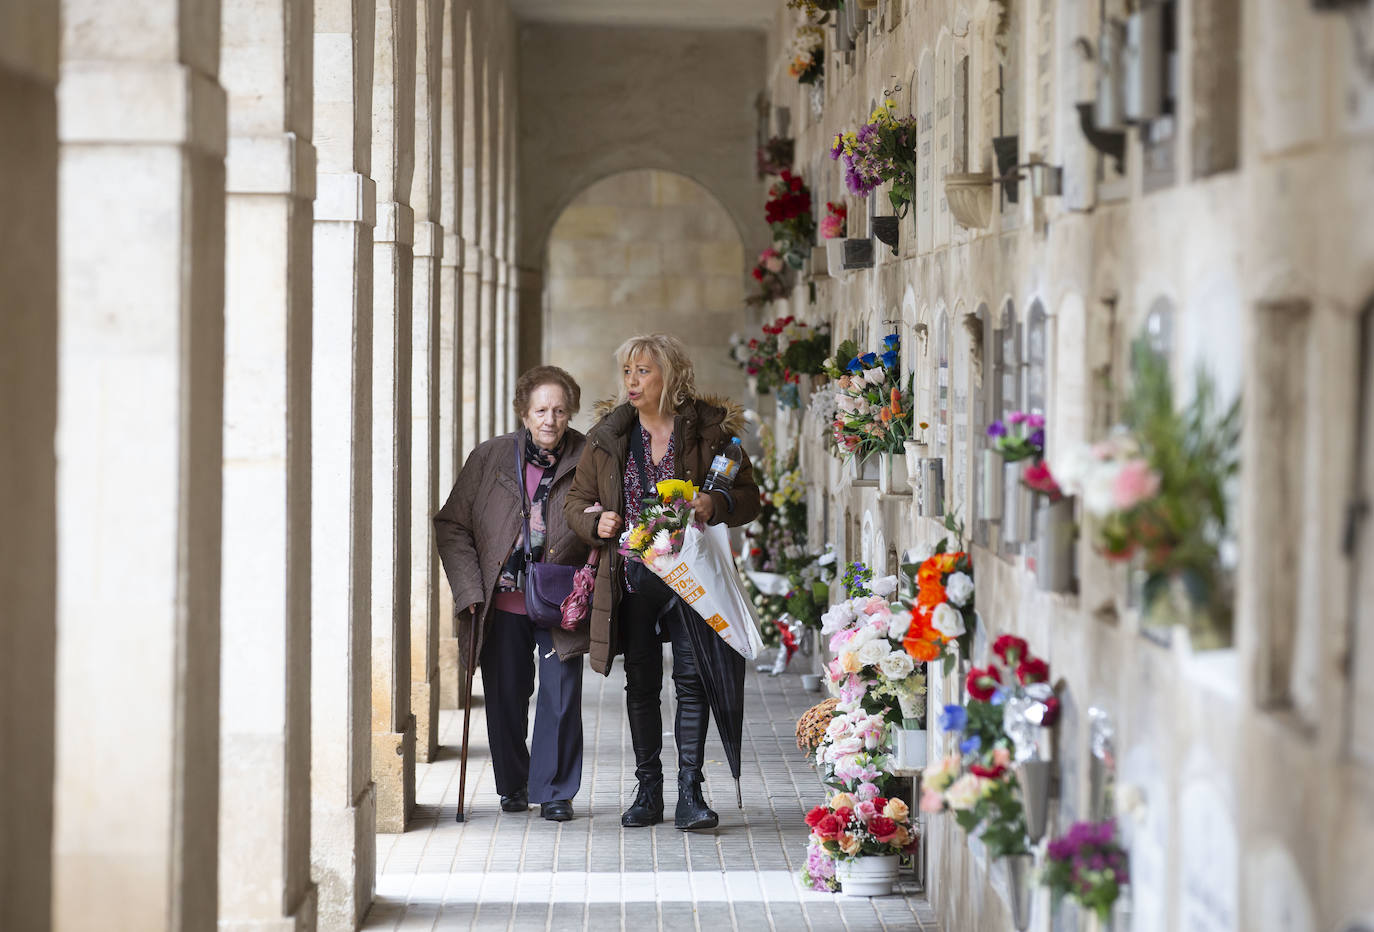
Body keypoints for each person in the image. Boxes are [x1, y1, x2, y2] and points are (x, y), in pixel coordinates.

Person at [565, 333, 760, 830]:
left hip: (689, 576)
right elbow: (573, 502)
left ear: (669, 376)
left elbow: (751, 495)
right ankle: (648, 787)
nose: (632, 381)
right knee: (642, 683)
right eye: (628, 371)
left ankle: (690, 792)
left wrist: (716, 504)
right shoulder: (608, 437)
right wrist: (596, 523)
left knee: (693, 681)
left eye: (643, 371)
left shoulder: (710, 433)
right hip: (632, 577)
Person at [434, 366, 590, 822]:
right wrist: (468, 590)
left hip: (562, 601)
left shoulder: (587, 457)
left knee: (561, 695)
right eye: (541, 409)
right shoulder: (491, 457)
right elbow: (452, 525)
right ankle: (514, 783)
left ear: (570, 413)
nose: (550, 419)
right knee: (506, 695)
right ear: (524, 412)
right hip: (500, 601)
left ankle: (556, 790)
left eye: (560, 410)